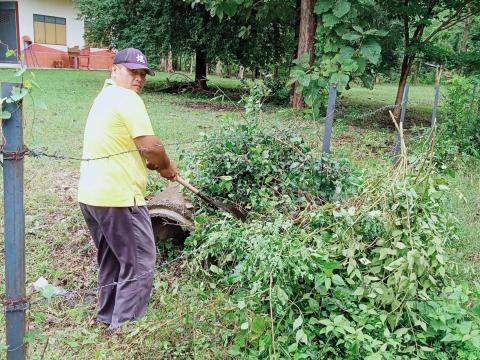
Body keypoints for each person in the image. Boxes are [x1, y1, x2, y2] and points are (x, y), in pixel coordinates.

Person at [77, 48, 176, 333]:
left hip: (91, 197)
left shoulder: (104, 97)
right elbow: (151, 148)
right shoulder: (126, 98)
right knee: (140, 260)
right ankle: (124, 329)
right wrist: (166, 167)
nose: (139, 78)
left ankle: (108, 315)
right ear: (115, 69)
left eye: (143, 73)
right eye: (133, 71)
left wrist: (152, 159)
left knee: (111, 259)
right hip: (119, 199)